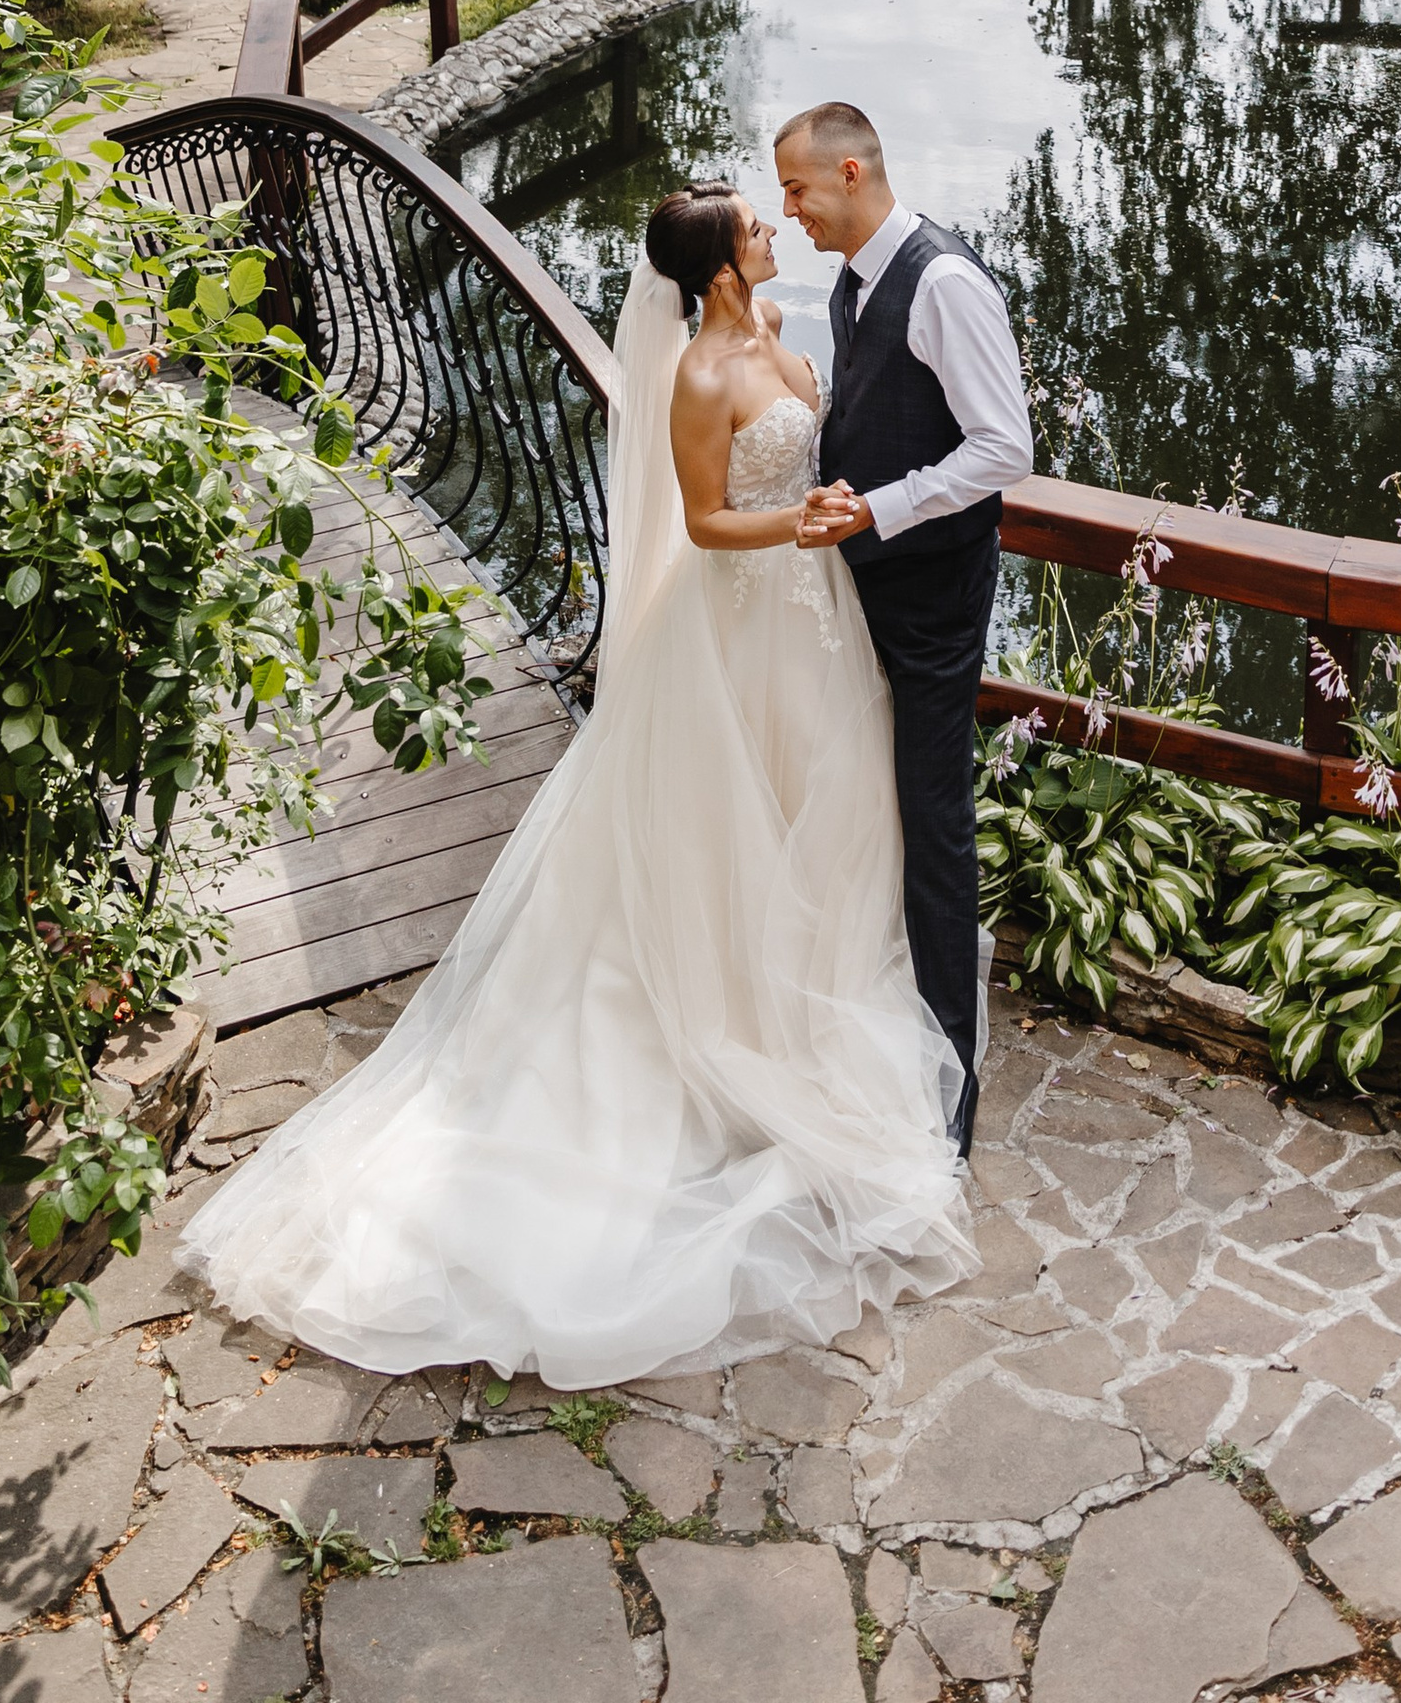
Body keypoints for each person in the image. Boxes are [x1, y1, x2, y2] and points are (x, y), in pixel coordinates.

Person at [174, 184, 975, 1387]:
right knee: (732, 826)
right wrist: (801, 527)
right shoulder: (700, 375)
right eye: (754, 225)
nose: (771, 230)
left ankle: (806, 987)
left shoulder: (775, 335)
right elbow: (707, 525)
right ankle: (736, 1022)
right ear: (714, 270)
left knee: (825, 809)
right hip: (745, 617)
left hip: (818, 624)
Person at [779, 102, 1033, 1154]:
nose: (786, 210)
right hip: (862, 586)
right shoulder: (854, 281)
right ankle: (872, 1034)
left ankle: (950, 1093)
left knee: (932, 827)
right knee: (857, 804)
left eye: (796, 188)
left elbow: (1002, 449)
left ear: (849, 172)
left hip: (928, 600)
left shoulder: (943, 282)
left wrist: (880, 509)